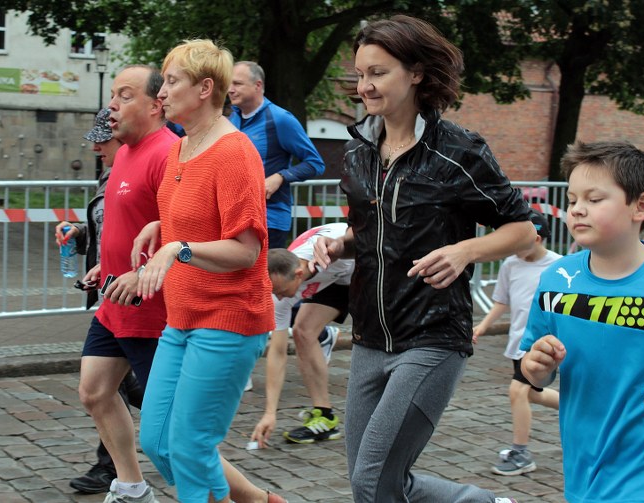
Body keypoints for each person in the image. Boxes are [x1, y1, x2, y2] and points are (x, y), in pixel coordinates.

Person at [313, 15, 533, 503]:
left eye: (378, 73)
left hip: (433, 336)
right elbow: (365, 231)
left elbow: (523, 227)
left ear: (415, 73)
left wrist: (465, 250)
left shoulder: (458, 151)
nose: (364, 86)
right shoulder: (357, 153)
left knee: (373, 481)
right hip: (369, 336)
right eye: (360, 74)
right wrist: (339, 245)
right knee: (376, 484)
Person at [521, 140, 644, 502]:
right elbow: (534, 369)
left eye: (594, 199)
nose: (578, 210)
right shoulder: (556, 280)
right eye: (572, 201)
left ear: (640, 206)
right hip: (583, 472)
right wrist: (536, 367)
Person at [131, 39, 285, 503]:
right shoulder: (180, 148)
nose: (161, 92)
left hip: (228, 317)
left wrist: (177, 248)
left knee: (190, 446)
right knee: (158, 441)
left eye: (171, 81)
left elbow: (245, 251)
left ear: (204, 89)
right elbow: (199, 217)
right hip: (182, 315)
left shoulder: (234, 152)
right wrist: (162, 226)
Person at [78, 65, 179, 503]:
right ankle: (132, 488)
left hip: (151, 310)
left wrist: (141, 273)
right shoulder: (123, 154)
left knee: (174, 432)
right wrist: (108, 263)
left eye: (124, 95)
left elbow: (182, 233)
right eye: (112, 96)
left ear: (156, 105)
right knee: (95, 391)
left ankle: (245, 495)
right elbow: (130, 224)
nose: (111, 106)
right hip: (114, 299)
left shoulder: (169, 153)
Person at [54, 108, 145, 494]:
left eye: (102, 139)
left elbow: (159, 231)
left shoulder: (146, 163)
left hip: (139, 296)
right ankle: (125, 477)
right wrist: (80, 234)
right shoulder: (113, 169)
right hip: (112, 291)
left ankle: (115, 469)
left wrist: (138, 270)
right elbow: (109, 228)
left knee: (120, 388)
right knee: (100, 387)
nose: (95, 147)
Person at [472, 210, 560, 476]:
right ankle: (576, 407)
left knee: (517, 391)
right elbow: (502, 301)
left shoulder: (559, 267)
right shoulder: (510, 265)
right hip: (518, 343)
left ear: (537, 239)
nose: (513, 248)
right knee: (531, 393)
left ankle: (520, 453)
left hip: (543, 346)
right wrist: (483, 326)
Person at [251, 222, 353, 448]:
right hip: (334, 278)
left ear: (298, 275)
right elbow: (277, 352)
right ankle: (325, 417)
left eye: (280, 291)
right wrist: (270, 412)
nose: (278, 298)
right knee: (303, 331)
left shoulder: (328, 251)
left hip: (361, 264)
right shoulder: (279, 291)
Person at [228, 60, 326, 249]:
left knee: (264, 270)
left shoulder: (280, 119)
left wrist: (280, 177)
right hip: (235, 217)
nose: (230, 90)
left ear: (258, 85)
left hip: (269, 219)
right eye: (229, 84)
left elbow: (315, 163)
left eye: (237, 84)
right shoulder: (232, 119)